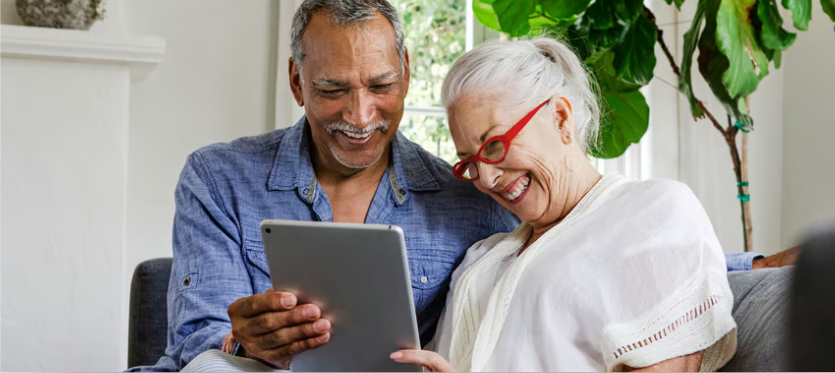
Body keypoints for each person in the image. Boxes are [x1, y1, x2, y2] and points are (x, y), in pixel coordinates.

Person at [126, 1, 794, 371]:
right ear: (298, 83)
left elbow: (631, 247)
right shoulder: (220, 178)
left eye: (381, 86)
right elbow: (195, 344)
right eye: (332, 90)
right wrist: (242, 341)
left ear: (406, 71)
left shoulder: (482, 201)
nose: (360, 115)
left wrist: (761, 264)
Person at [390, 37, 737, 372]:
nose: (487, 178)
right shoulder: (484, 255)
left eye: (494, 144)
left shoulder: (653, 211)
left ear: (559, 117)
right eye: (470, 162)